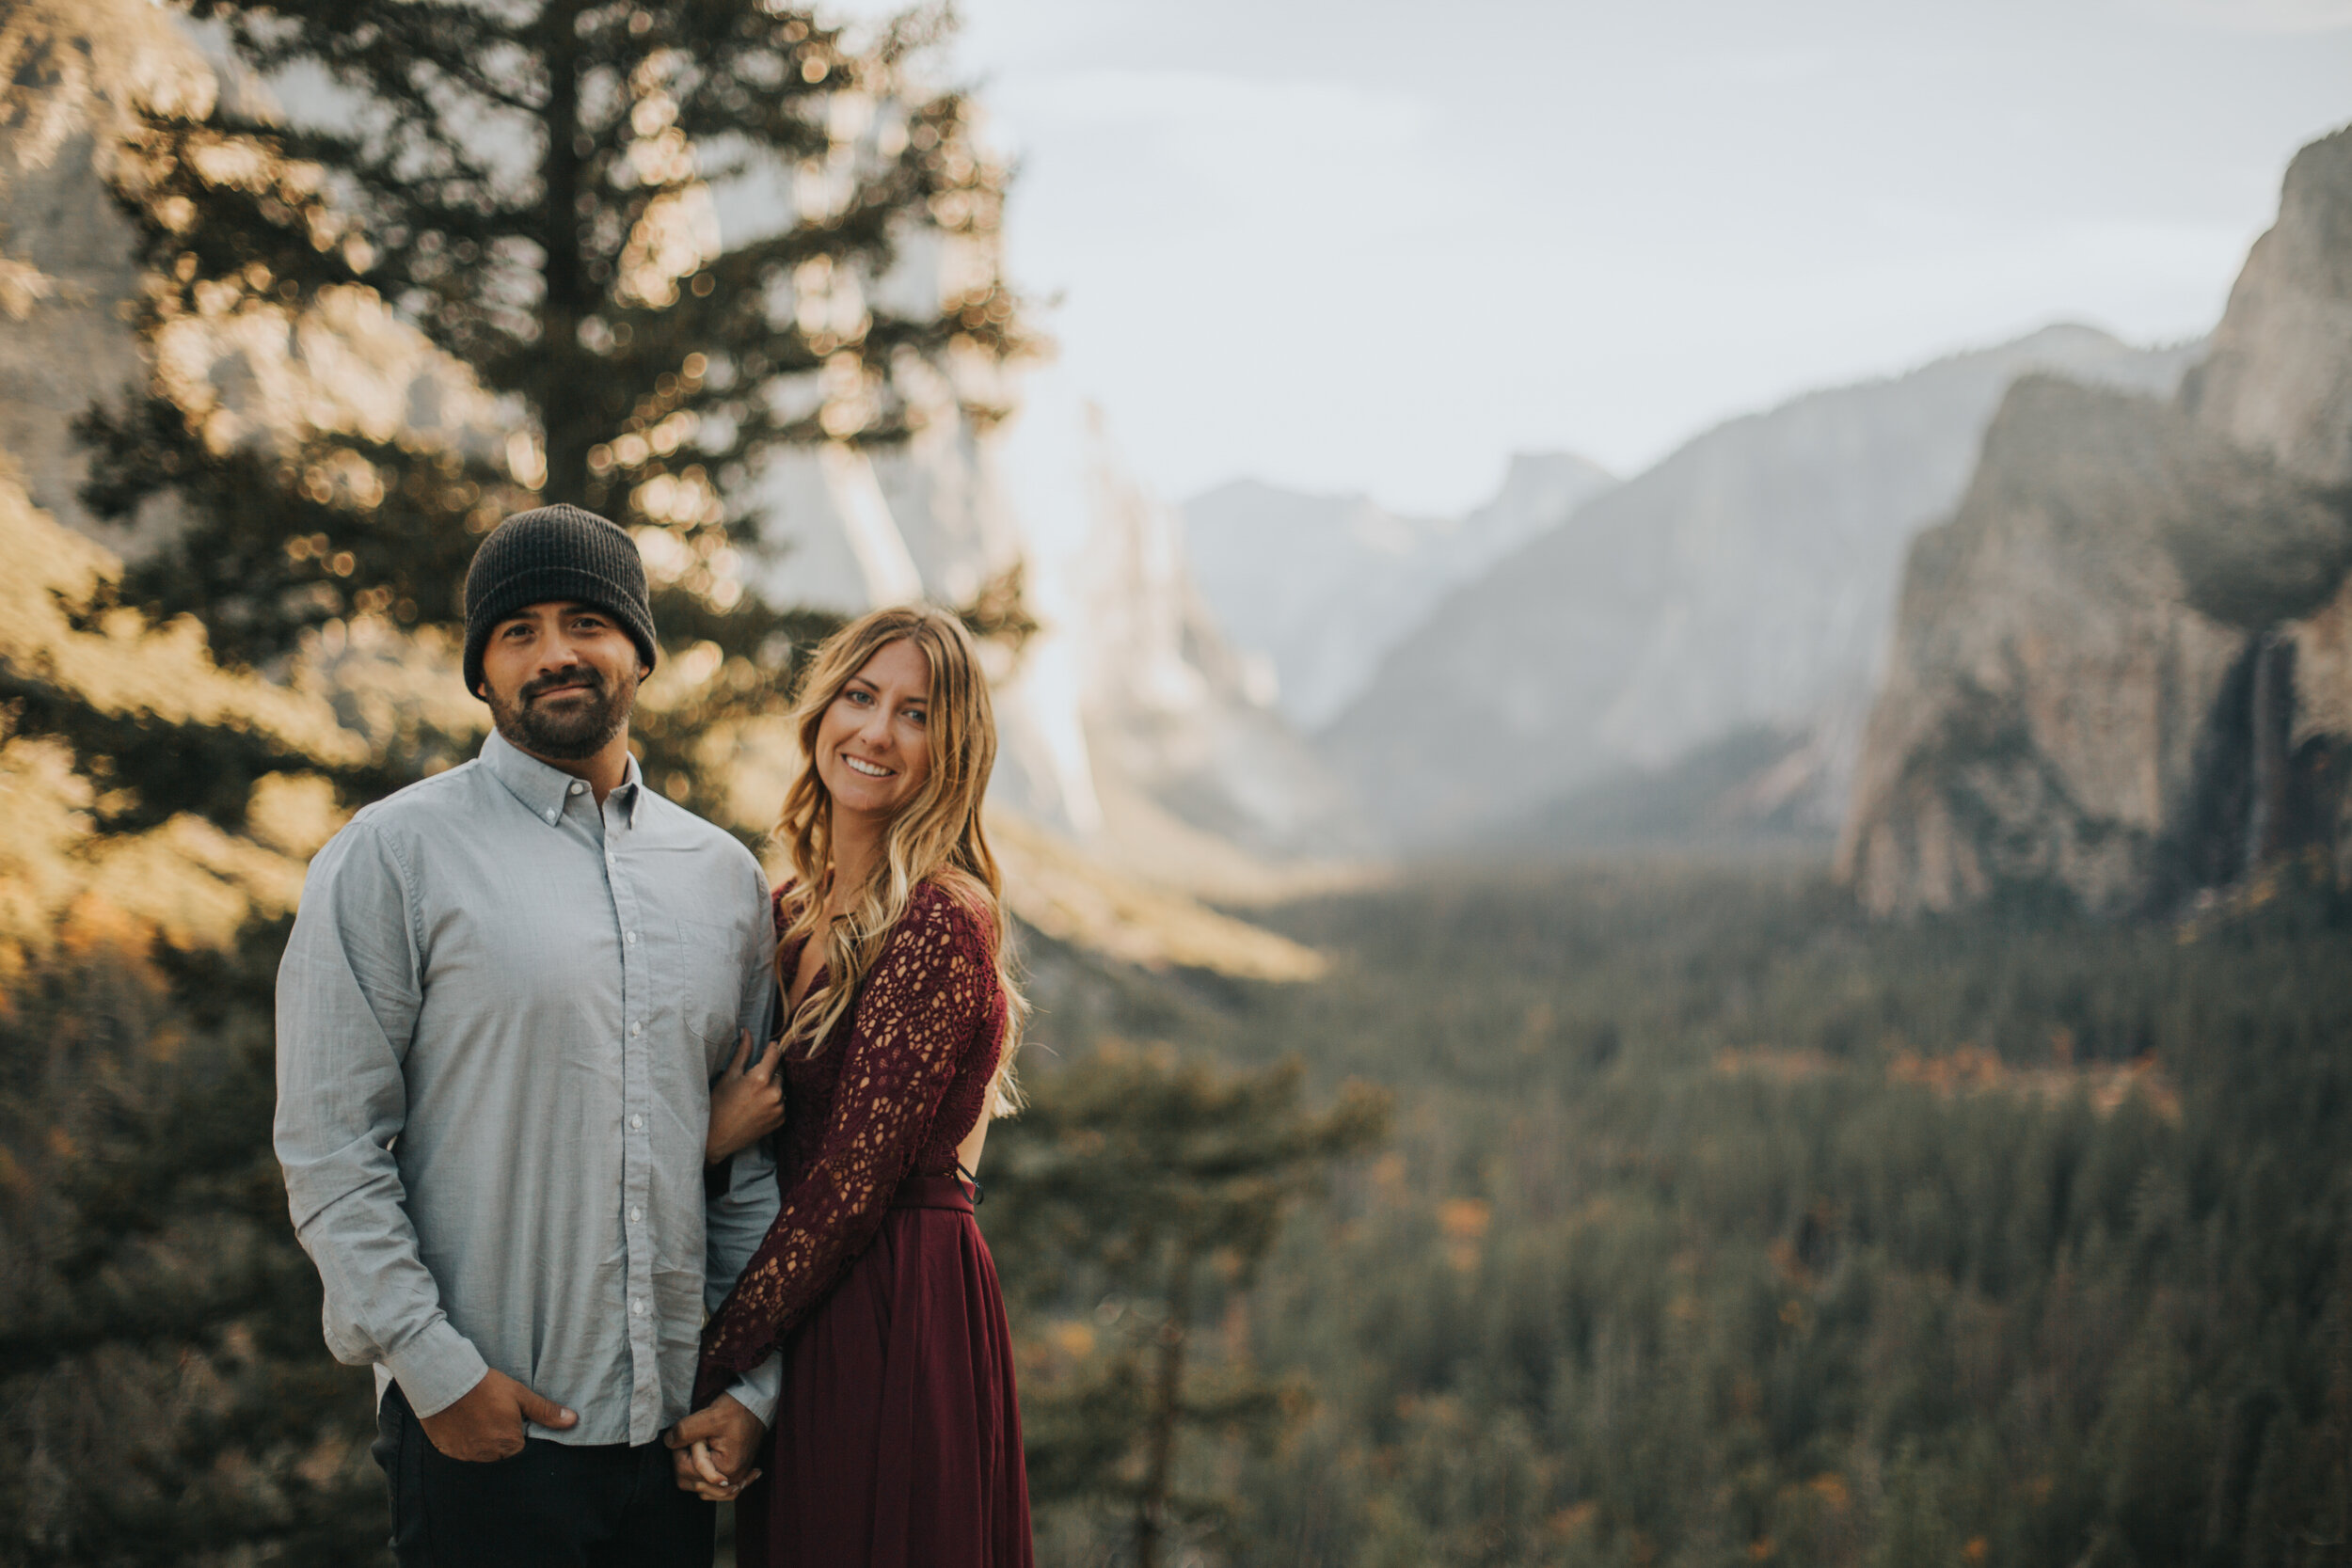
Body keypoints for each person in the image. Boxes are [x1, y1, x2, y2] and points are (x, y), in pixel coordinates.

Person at [274, 503, 784, 1567]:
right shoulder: (391, 858)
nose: (556, 652)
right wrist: (436, 1372)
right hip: (483, 1443)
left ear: (638, 649)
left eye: (588, 620)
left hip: (672, 1451)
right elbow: (329, 1148)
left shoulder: (725, 882)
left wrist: (753, 1388)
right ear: (482, 670)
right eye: (520, 630)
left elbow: (746, 1177)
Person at [682, 604, 1036, 1568]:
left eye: (916, 714)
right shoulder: (784, 911)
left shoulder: (938, 919)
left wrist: (700, 1361)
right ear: (822, 708)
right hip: (806, 1292)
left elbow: (847, 1186)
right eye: (860, 695)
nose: (877, 731)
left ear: (952, 750)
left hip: (896, 1300)